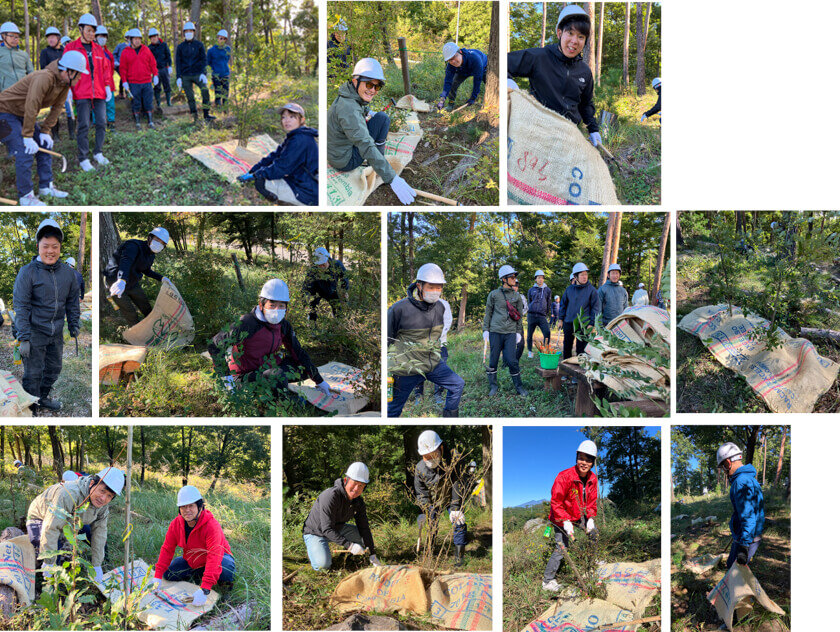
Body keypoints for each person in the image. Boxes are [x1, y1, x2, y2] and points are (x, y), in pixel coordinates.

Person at [207, 279, 334, 399]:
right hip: (246, 375)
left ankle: (274, 385)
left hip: (268, 366)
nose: (276, 310)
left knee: (302, 368)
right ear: (261, 305)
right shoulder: (247, 323)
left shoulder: (283, 325)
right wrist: (227, 381)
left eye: (281, 306)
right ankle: (281, 402)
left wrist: (319, 380)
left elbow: (298, 352)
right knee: (276, 376)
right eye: (272, 305)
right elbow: (214, 345)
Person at [507, 5, 601, 147]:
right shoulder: (539, 57)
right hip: (537, 132)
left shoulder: (585, 72)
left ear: (585, 41)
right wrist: (507, 79)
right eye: (570, 33)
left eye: (581, 37)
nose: (574, 41)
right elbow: (503, 61)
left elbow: (586, 104)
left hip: (569, 136)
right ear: (559, 33)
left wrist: (593, 129)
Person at [327, 57, 416, 205]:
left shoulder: (348, 94)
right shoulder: (349, 110)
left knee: (379, 117)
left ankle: (378, 160)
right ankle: (378, 163)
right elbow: (365, 144)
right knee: (383, 119)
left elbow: (360, 106)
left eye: (377, 86)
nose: (373, 90)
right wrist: (391, 177)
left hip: (338, 151)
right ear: (355, 81)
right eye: (369, 84)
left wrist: (369, 112)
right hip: (345, 161)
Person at [13, 219, 80, 411]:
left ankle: (41, 398)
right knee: (33, 373)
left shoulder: (68, 273)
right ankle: (31, 406)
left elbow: (72, 301)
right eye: (46, 246)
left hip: (56, 332)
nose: (50, 251)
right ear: (38, 246)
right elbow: (21, 306)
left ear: (60, 248)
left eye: (54, 246)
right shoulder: (27, 273)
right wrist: (24, 337)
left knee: (53, 369)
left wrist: (74, 323)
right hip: (34, 332)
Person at [0, 52, 83, 205]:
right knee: (24, 149)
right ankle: (26, 196)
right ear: (67, 71)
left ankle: (46, 186)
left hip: (22, 114)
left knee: (44, 144)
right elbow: (32, 104)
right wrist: (27, 135)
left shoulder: (64, 84)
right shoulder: (44, 77)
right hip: (5, 113)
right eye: (78, 76)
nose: (79, 80)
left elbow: (57, 108)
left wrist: (45, 131)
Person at [387, 263, 465, 417]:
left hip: (432, 363)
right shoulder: (399, 309)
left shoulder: (440, 307)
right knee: (393, 408)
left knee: (457, 384)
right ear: (419, 285)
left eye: (439, 287)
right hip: (406, 369)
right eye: (431, 286)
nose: (436, 291)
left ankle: (450, 419)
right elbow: (387, 340)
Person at [26, 467, 124, 580]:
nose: (103, 498)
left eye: (109, 496)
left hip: (74, 520)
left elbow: (100, 533)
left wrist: (97, 565)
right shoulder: (68, 494)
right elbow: (51, 526)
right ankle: (49, 583)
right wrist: (50, 560)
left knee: (96, 539)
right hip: (41, 517)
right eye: (102, 491)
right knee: (52, 549)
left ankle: (104, 567)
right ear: (92, 483)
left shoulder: (102, 506)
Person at [152, 486, 235, 603]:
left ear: (200, 506)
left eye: (191, 506)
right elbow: (167, 549)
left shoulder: (212, 526)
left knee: (225, 568)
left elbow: (214, 555)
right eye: (183, 506)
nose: (187, 510)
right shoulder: (176, 524)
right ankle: (200, 575)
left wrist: (205, 589)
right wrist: (158, 575)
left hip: (220, 558)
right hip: (194, 560)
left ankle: (223, 586)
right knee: (169, 573)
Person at [542, 440, 598, 591]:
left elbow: (592, 501)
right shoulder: (564, 476)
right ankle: (547, 581)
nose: (584, 463)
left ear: (593, 462)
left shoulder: (593, 479)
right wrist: (565, 521)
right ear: (576, 458)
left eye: (588, 460)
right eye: (581, 458)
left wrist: (591, 518)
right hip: (560, 517)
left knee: (594, 533)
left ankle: (592, 563)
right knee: (561, 547)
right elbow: (556, 502)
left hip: (577, 515)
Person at [302, 462, 380, 571]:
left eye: (361, 485)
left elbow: (364, 528)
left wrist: (372, 553)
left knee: (363, 539)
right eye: (354, 483)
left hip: (337, 529)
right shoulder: (330, 496)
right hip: (316, 532)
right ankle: (315, 549)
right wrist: (350, 546)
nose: (357, 488)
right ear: (345, 481)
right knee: (323, 566)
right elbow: (326, 528)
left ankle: (346, 557)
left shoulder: (358, 502)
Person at [237, 103, 318, 206]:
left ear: (302, 120)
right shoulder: (295, 136)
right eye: (284, 117)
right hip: (301, 179)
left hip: (307, 190)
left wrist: (257, 175)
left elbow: (282, 167)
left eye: (292, 117)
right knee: (265, 174)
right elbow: (274, 156)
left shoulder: (299, 140)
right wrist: (253, 170)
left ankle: (292, 204)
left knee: (260, 182)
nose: (287, 120)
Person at [65, 13, 112, 172]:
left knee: (101, 122)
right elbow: (66, 70)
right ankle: (83, 158)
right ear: (81, 29)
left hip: (98, 92)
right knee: (84, 124)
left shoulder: (98, 49)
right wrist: (68, 89)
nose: (92, 34)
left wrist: (107, 86)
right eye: (89, 30)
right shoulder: (71, 48)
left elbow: (105, 69)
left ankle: (98, 152)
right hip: (81, 92)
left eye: (94, 31)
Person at [414, 430, 467, 566]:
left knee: (459, 523)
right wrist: (424, 510)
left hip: (451, 498)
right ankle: (431, 552)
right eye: (426, 457)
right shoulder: (420, 468)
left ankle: (459, 557)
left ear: (441, 448)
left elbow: (458, 482)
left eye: (433, 455)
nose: (430, 459)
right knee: (431, 524)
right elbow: (422, 492)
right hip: (433, 501)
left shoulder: (454, 459)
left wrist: (456, 507)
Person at [103, 227, 170, 326]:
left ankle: (155, 329)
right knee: (130, 312)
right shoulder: (134, 246)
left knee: (146, 306)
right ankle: (137, 337)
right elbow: (126, 261)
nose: (158, 244)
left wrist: (161, 278)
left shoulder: (151, 255)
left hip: (131, 282)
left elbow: (146, 270)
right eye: (157, 240)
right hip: (116, 282)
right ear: (149, 238)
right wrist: (121, 280)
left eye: (162, 243)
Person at [717, 443, 764, 569]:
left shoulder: (740, 482)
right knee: (736, 571)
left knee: (733, 572)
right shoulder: (750, 478)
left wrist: (743, 547)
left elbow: (748, 516)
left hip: (747, 538)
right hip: (750, 535)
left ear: (728, 462)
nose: (725, 472)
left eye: (723, 467)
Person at [483, 264, 527, 396]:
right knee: (493, 360)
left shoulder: (517, 296)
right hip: (495, 331)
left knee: (512, 360)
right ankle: (493, 386)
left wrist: (518, 332)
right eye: (512, 277)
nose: (514, 279)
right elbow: (488, 313)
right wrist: (486, 330)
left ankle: (519, 387)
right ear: (504, 279)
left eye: (515, 277)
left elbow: (519, 316)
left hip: (510, 333)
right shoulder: (494, 294)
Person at [558, 263, 601, 362]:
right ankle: (566, 370)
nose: (584, 277)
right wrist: (561, 319)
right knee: (567, 347)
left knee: (581, 350)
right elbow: (563, 305)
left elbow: (596, 308)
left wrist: (591, 324)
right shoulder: (569, 290)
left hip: (584, 325)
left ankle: (579, 373)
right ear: (575, 277)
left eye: (586, 274)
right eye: (582, 275)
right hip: (569, 322)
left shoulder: (592, 290)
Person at [175, 21, 215, 124]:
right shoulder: (180, 47)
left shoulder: (199, 45)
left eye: (191, 31)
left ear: (194, 32)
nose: (189, 33)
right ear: (184, 33)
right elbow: (178, 62)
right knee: (190, 96)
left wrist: (203, 73)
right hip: (185, 75)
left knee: (205, 91)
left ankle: (206, 114)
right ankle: (195, 116)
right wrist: (178, 77)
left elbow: (204, 60)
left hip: (198, 74)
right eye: (187, 31)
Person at [120, 28, 158, 130]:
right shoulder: (125, 52)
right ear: (131, 40)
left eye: (139, 39)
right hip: (133, 82)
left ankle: (150, 121)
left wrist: (155, 75)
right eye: (135, 39)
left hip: (146, 81)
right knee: (135, 101)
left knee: (148, 101)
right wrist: (124, 81)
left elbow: (153, 63)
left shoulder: (146, 50)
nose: (137, 41)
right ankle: (137, 121)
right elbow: (123, 69)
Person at [436, 42, 487, 110]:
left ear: (460, 52)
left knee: (490, 83)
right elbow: (448, 82)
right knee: (453, 84)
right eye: (450, 60)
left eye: (454, 57)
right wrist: (442, 99)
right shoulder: (451, 66)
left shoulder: (474, 58)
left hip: (482, 67)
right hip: (463, 70)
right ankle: (451, 104)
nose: (453, 61)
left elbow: (477, 80)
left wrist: (473, 97)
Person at [302, 247, 348, 322]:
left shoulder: (336, 264)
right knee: (312, 308)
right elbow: (306, 287)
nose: (321, 267)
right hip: (317, 291)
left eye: (323, 264)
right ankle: (312, 325)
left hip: (332, 289)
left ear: (327, 259)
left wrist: (344, 290)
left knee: (338, 308)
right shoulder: (313, 270)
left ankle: (338, 324)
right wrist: (305, 301)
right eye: (319, 265)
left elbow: (345, 277)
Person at [93, 26, 117, 129]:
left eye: (104, 36)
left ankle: (111, 123)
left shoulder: (109, 54)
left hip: (109, 84)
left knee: (110, 104)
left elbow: (111, 69)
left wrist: (107, 82)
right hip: (96, 84)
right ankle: (96, 124)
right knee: (96, 106)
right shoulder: (92, 52)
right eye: (100, 36)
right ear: (95, 37)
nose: (102, 38)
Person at [0, 22, 34, 92]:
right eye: (11, 36)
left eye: (17, 36)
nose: (15, 39)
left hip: (23, 92)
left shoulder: (24, 54)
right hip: (5, 93)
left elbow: (31, 73)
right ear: (3, 36)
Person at [526, 270, 551, 358]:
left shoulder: (547, 290)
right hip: (531, 315)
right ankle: (530, 351)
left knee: (547, 332)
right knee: (529, 334)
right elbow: (529, 301)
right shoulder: (531, 290)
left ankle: (545, 350)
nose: (540, 279)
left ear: (543, 279)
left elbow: (549, 302)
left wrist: (546, 313)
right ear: (536, 279)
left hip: (541, 316)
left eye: (542, 278)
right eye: (538, 278)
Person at [148, 28, 172, 109]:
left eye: (154, 36)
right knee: (157, 86)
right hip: (155, 71)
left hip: (164, 68)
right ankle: (158, 103)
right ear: (150, 38)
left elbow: (168, 55)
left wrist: (170, 66)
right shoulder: (149, 48)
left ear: (157, 36)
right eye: (151, 37)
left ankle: (169, 102)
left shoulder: (164, 45)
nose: (153, 38)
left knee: (167, 85)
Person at [206, 30, 230, 108]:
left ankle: (225, 109)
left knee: (225, 94)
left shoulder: (228, 49)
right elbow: (208, 62)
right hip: (216, 75)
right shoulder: (211, 50)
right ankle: (218, 109)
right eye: (220, 38)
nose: (222, 40)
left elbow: (227, 59)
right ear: (217, 38)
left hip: (225, 74)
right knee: (218, 93)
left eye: (224, 39)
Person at [113, 32, 130, 98]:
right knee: (124, 77)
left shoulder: (132, 46)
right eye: (128, 37)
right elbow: (114, 53)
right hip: (119, 65)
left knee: (126, 78)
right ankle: (121, 92)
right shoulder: (120, 46)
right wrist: (116, 61)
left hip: (127, 66)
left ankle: (127, 92)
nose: (129, 39)